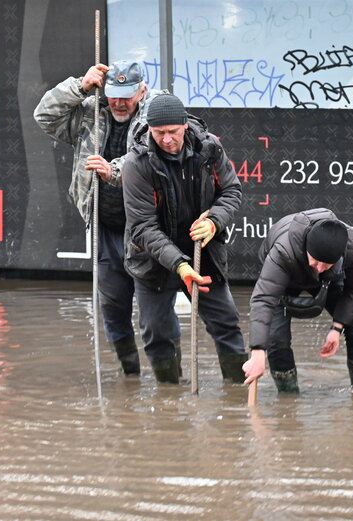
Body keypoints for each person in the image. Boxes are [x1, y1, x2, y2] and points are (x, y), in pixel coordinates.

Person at [34, 60, 161, 375]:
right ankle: (129, 376)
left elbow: (149, 160)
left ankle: (167, 380)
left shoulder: (156, 118)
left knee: (155, 316)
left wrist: (113, 170)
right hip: (103, 228)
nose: (119, 103)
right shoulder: (90, 111)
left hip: (147, 231)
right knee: (114, 309)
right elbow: (44, 116)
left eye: (127, 96)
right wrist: (78, 87)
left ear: (142, 91)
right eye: (114, 94)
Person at [121, 93, 248, 384]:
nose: (166, 140)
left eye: (173, 132)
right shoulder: (136, 163)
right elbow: (142, 226)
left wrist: (215, 220)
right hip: (153, 261)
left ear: (185, 127)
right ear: (150, 129)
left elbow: (231, 191)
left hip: (204, 253)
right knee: (157, 332)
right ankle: (169, 397)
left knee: (226, 323)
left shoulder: (209, 148)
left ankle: (238, 390)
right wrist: (179, 265)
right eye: (159, 133)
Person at [242, 208, 353, 393]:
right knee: (276, 340)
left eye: (326, 263)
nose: (320, 268)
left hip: (329, 280)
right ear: (306, 249)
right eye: (316, 261)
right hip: (286, 277)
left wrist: (337, 327)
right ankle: (288, 399)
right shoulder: (283, 251)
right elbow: (264, 299)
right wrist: (257, 352)